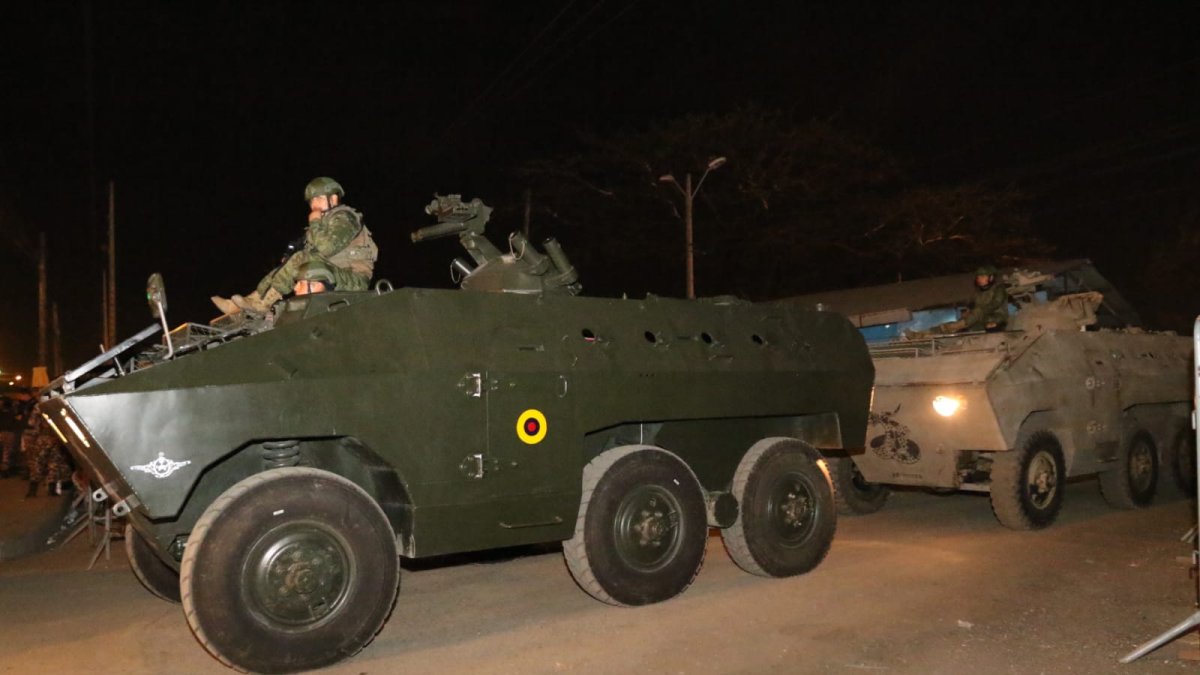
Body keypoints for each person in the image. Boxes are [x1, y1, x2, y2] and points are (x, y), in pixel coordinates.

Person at [212, 177, 378, 315]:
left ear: (333, 199)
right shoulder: (323, 224)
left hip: (354, 279)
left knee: (301, 259)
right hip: (330, 272)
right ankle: (250, 302)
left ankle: (260, 302)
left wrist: (314, 221)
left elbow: (325, 248)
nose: (314, 204)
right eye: (312, 200)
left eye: (319, 198)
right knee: (294, 259)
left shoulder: (345, 218)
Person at [960, 264, 1009, 332]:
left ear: (991, 278)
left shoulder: (998, 289)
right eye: (978, 277)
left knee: (980, 314)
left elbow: (995, 303)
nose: (979, 279)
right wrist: (968, 310)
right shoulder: (978, 292)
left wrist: (979, 311)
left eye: (982, 276)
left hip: (996, 317)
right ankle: (957, 326)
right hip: (981, 318)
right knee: (969, 328)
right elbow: (972, 304)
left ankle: (961, 324)